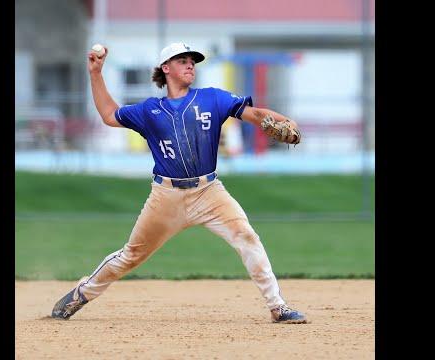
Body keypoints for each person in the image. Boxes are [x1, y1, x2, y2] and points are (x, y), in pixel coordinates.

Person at [51, 42, 307, 324]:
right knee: (130, 256)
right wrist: (96, 73)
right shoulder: (150, 110)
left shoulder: (212, 99)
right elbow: (110, 115)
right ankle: (81, 293)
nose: (190, 65)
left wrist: (288, 122)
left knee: (247, 237)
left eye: (192, 61)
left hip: (209, 192)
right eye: (182, 60)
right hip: (166, 197)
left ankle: (277, 306)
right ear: (165, 68)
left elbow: (257, 115)